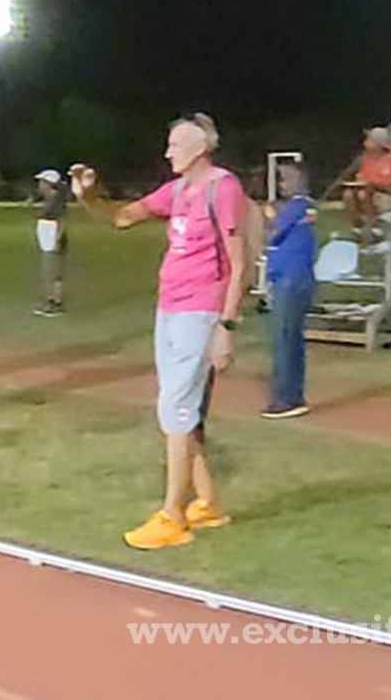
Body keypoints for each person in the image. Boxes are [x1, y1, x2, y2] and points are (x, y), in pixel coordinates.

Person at [113, 113, 248, 550]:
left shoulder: (221, 188)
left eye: (174, 144)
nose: (167, 151)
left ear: (199, 149)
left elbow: (239, 262)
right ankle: (206, 503)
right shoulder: (178, 190)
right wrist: (87, 194)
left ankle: (172, 515)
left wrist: (226, 326)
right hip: (169, 306)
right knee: (179, 408)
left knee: (175, 407)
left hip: (200, 310)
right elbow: (124, 217)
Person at [262, 160, 317, 419]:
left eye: (287, 178)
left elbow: (272, 233)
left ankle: (285, 398)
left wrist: (268, 216)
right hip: (288, 277)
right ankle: (291, 395)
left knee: (285, 339)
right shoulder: (300, 207)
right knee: (290, 338)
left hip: (291, 279)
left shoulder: (297, 206)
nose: (282, 184)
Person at [343, 127, 391, 241]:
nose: (365, 143)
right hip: (368, 192)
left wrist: (376, 186)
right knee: (348, 195)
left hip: (387, 196)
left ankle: (375, 227)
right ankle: (357, 227)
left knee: (363, 195)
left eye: (369, 140)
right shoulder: (366, 160)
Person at [31, 169, 69, 317]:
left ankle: (54, 303)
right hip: (49, 235)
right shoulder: (51, 198)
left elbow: (61, 220)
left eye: (42, 182)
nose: (39, 185)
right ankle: (53, 301)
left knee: (51, 271)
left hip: (52, 236)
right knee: (51, 271)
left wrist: (57, 239)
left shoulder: (55, 199)